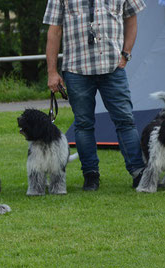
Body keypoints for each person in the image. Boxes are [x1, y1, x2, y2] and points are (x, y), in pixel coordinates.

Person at [44, 0, 146, 191]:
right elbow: (54, 30)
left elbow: (132, 17)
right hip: (76, 69)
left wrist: (127, 53)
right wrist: (52, 72)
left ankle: (138, 172)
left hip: (113, 67)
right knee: (83, 125)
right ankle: (90, 176)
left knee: (125, 120)